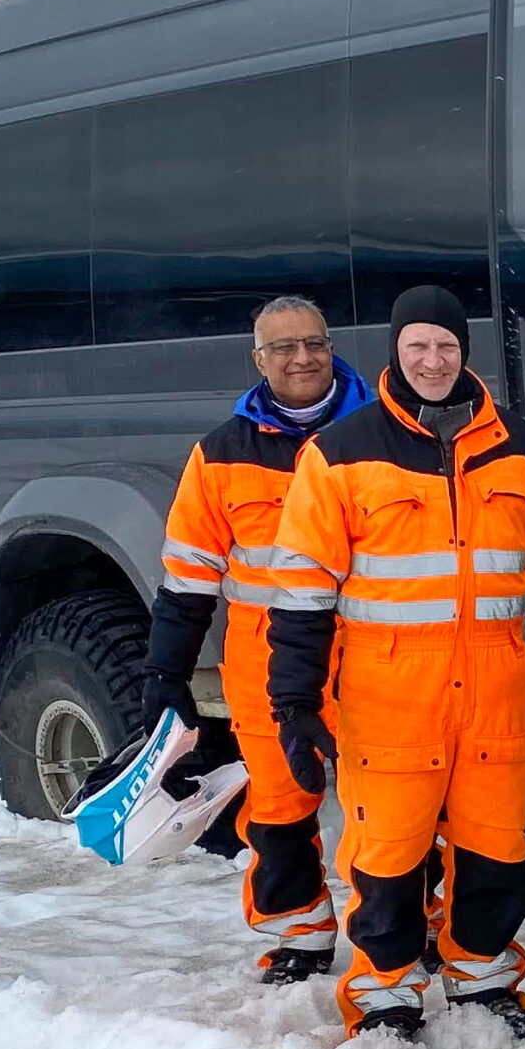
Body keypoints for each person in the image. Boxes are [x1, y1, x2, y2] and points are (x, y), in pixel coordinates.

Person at [267, 284, 525, 1039]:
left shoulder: (524, 449)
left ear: (464, 352)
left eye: (446, 346)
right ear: (395, 351)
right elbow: (302, 596)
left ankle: (483, 979)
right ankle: (385, 992)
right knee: (387, 856)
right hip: (389, 698)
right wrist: (295, 702)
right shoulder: (340, 453)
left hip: (496, 694)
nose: (433, 361)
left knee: (496, 851)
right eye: (418, 346)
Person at [143, 296, 373, 982]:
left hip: (379, 662)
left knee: (395, 810)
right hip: (265, 668)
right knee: (276, 808)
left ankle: (404, 934)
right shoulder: (220, 455)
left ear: (331, 347)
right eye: (283, 348)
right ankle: (299, 935)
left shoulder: (383, 434)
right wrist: (164, 676)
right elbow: (188, 580)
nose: (302, 358)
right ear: (258, 360)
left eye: (314, 343)